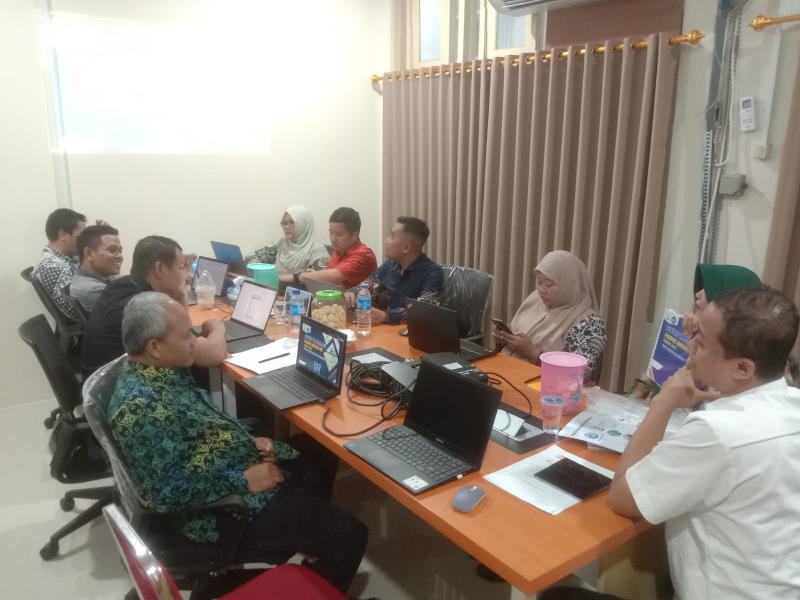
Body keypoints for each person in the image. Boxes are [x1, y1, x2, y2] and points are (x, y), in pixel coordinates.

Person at [108, 292, 368, 594]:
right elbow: (162, 493)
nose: (195, 340)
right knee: (350, 535)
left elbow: (197, 426)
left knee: (317, 453)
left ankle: (309, 549)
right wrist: (244, 479)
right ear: (154, 347)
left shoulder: (159, 374)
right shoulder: (141, 408)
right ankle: (311, 573)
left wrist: (244, 439)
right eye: (186, 335)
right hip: (223, 513)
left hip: (224, 468)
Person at [608, 286, 800, 599]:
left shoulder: (719, 431)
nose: (691, 345)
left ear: (743, 368)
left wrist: (663, 403)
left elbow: (623, 498)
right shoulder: (791, 403)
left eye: (701, 341)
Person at [82, 235, 225, 375]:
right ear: (160, 269)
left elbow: (182, 327)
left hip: (110, 380)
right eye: (181, 268)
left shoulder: (120, 285)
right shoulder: (146, 309)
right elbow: (211, 355)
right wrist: (217, 328)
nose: (186, 276)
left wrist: (181, 290)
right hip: (132, 386)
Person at [628, 263, 764, 399]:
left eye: (709, 288)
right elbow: (639, 395)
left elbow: (689, 401)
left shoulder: (730, 368)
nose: (698, 294)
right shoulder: (689, 336)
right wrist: (682, 341)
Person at [494, 250, 606, 380]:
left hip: (544, 387)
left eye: (549, 284)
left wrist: (533, 354)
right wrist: (504, 341)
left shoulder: (589, 323)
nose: (541, 290)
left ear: (569, 284)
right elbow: (511, 348)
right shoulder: (535, 301)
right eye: (539, 282)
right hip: (504, 373)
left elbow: (580, 376)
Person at [345, 216, 443, 324]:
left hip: (412, 332)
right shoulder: (390, 265)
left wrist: (385, 316)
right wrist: (351, 293)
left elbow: (425, 312)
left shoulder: (432, 272)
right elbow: (368, 285)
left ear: (406, 247)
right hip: (387, 329)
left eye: (391, 236)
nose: (386, 240)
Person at [289, 207, 377, 289]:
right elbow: (328, 277)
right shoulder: (339, 250)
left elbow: (335, 275)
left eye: (339, 234)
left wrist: (296, 277)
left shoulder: (364, 254)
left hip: (360, 300)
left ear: (354, 235)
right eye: (331, 233)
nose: (333, 239)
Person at [32, 208, 89, 321]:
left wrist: (100, 239)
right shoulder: (53, 267)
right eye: (81, 237)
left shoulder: (66, 258)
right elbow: (77, 312)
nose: (84, 242)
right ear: (63, 235)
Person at [246, 205, 329, 272]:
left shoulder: (317, 249)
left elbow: (319, 277)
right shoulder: (283, 243)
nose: (287, 227)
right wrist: (256, 262)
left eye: (292, 222)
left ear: (304, 224)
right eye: (284, 223)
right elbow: (252, 257)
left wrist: (285, 272)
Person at [69, 224, 123, 314]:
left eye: (120, 251)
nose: (120, 256)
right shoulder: (93, 290)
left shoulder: (98, 277)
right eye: (112, 250)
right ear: (89, 253)